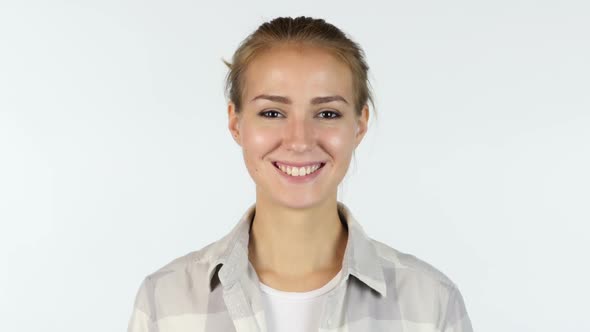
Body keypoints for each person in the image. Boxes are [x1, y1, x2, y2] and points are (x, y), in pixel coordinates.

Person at [127, 16, 473, 332]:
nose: (299, 140)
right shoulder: (164, 302)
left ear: (360, 124)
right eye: (273, 113)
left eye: (327, 114)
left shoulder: (431, 305)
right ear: (236, 122)